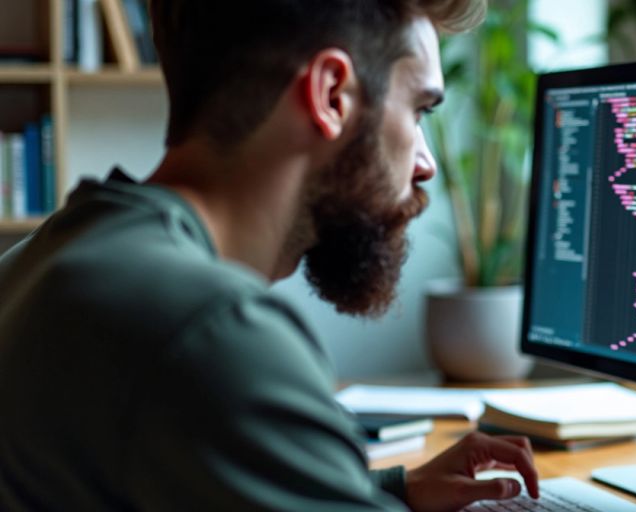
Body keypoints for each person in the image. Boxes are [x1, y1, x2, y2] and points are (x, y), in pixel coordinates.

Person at [0, 1, 540, 510]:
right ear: (331, 96)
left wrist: (392, 491)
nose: (427, 165)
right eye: (420, 108)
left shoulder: (47, 257)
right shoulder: (212, 331)